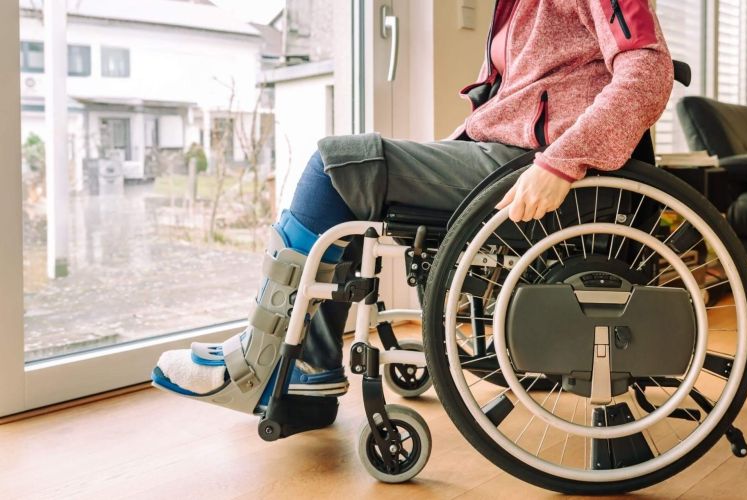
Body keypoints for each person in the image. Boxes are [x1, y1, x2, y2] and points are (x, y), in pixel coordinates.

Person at [151, 0, 674, 418]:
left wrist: (562, 163)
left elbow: (649, 70)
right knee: (352, 183)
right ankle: (307, 370)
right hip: (508, 156)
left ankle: (264, 363)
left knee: (336, 165)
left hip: (533, 165)